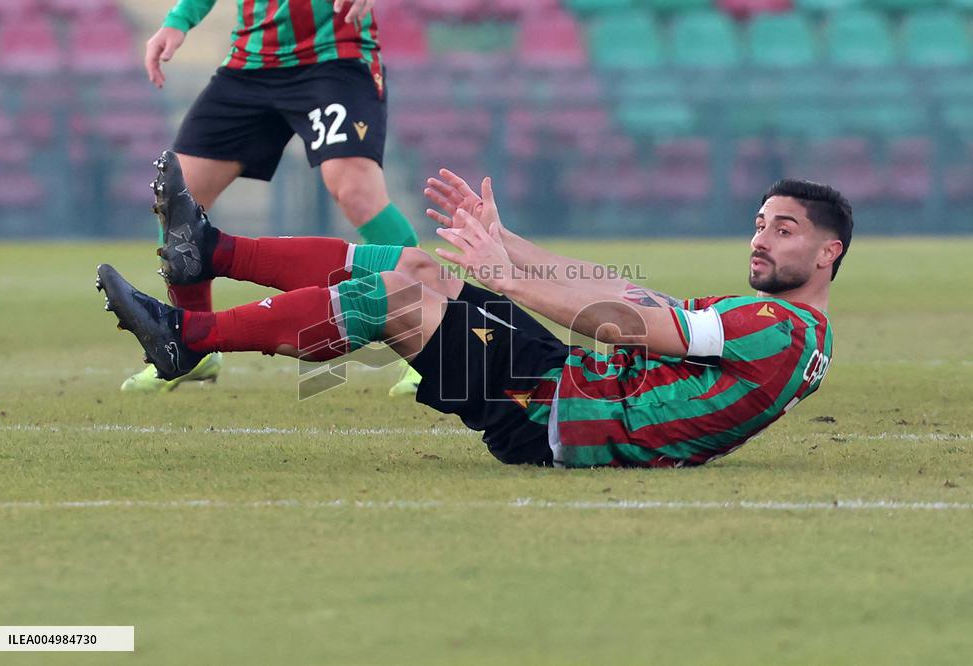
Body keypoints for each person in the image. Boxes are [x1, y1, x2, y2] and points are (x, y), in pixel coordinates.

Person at [97, 155, 850, 468]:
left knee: (399, 301)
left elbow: (638, 326)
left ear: (828, 254)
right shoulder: (778, 326)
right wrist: (507, 244)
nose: (761, 238)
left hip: (552, 419)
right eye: (760, 222)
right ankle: (214, 252)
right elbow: (631, 296)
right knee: (420, 265)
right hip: (567, 381)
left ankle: (186, 339)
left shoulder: (777, 328)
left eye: (784, 231)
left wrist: (509, 282)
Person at [125, 0, 421, 395]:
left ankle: (426, 341)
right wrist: (178, 21)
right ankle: (192, 347)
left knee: (355, 191)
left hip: (333, 60)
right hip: (251, 64)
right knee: (179, 200)